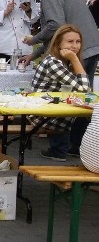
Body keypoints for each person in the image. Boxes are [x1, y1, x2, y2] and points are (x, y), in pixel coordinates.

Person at [23, 0, 99, 157]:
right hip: (89, 46)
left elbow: (56, 27)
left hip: (78, 51)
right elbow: (60, 36)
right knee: (82, 100)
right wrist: (37, 53)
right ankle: (77, 145)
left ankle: (59, 149)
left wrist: (34, 40)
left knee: (64, 94)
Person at [29, 24, 91, 161]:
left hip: (54, 108)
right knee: (82, 109)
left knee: (84, 107)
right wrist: (75, 59)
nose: (75, 46)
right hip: (40, 112)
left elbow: (85, 91)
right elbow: (85, 90)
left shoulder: (65, 60)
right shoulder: (53, 62)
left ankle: (68, 148)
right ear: (58, 43)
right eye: (70, 41)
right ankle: (61, 150)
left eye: (78, 41)